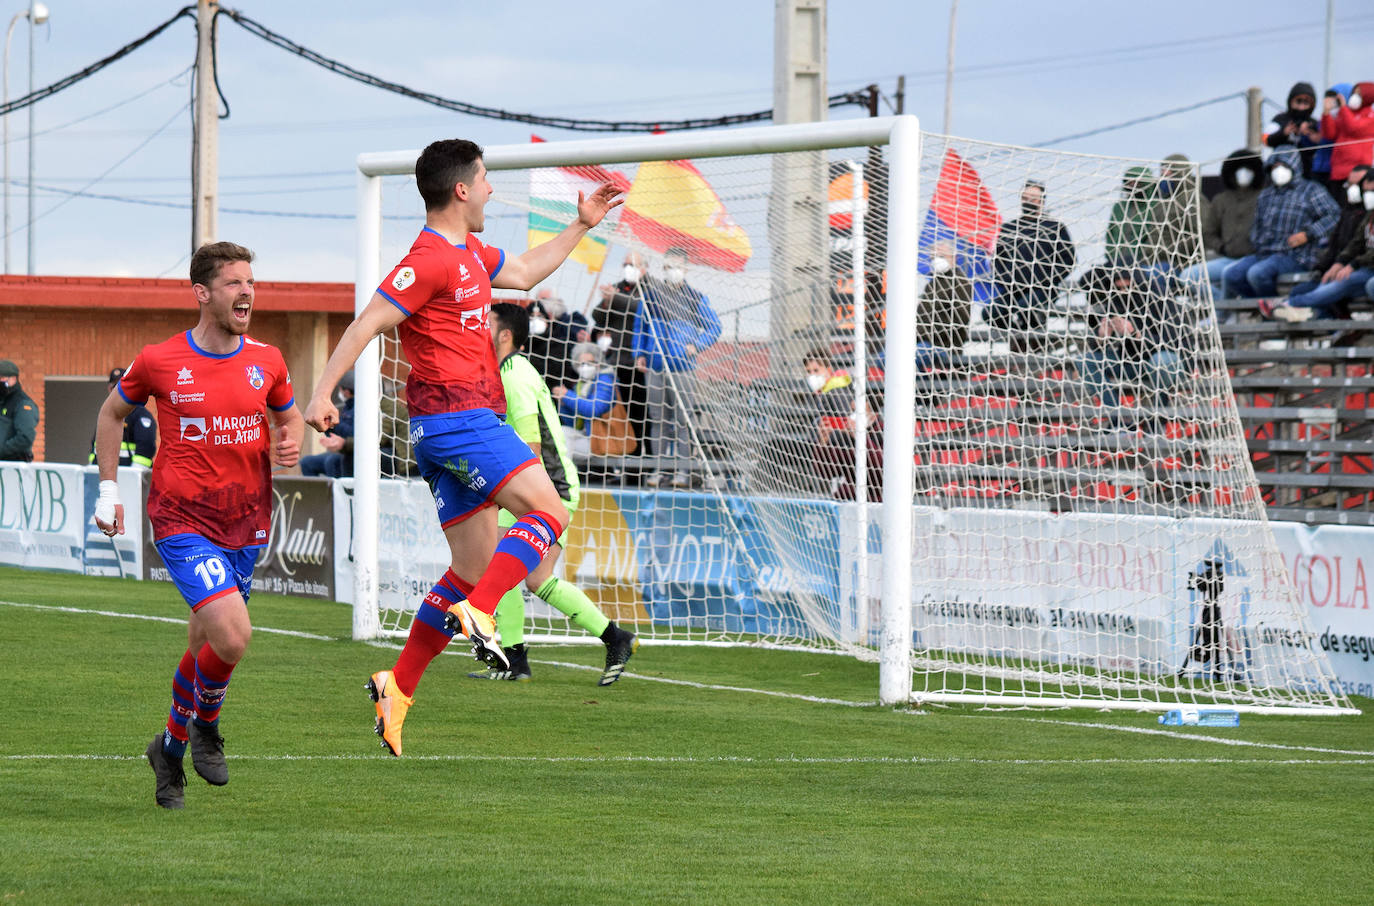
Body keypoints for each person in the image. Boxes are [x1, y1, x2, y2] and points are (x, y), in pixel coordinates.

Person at [301, 138, 623, 757]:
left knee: (472, 568)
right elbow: (367, 321)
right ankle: (481, 611)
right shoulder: (428, 259)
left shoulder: (470, 253)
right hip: (461, 419)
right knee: (550, 511)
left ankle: (397, 686)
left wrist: (580, 226)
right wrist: (322, 394)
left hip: (440, 431)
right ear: (462, 189)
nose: (492, 190)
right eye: (486, 179)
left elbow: (525, 273)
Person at [92, 241, 304, 809]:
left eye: (251, 282)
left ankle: (169, 749)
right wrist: (109, 490)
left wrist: (293, 434)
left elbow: (288, 412)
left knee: (206, 643)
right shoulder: (161, 360)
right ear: (202, 293)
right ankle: (207, 724)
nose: (247, 292)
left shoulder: (269, 360)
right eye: (234, 283)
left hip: (247, 521)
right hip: (181, 519)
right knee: (233, 636)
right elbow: (111, 414)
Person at [469, 302, 639, 683]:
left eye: (487, 324)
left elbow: (530, 445)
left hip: (545, 488)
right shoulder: (508, 372)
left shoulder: (514, 377)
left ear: (505, 335)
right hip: (545, 487)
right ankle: (616, 637)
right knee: (536, 578)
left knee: (504, 565)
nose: (480, 330)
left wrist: (507, 490)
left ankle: (514, 660)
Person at [631, 246, 721, 488]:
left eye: (678, 267)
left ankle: (683, 472)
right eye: (669, 267)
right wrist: (639, 353)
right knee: (658, 419)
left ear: (686, 268)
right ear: (663, 268)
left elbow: (714, 327)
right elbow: (639, 327)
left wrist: (696, 346)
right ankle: (659, 470)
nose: (673, 271)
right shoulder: (651, 295)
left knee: (683, 421)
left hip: (683, 368)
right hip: (656, 367)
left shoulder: (695, 298)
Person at [1221, 146, 1341, 298]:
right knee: (1232, 275)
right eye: (1275, 167)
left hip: (1296, 256)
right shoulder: (1266, 195)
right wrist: (1258, 241)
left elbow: (1334, 216)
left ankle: (1272, 309)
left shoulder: (1311, 190)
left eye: (1283, 166)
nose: (1278, 170)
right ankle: (1262, 306)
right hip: (1265, 253)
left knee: (1257, 274)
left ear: (1294, 166)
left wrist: (1308, 234)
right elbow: (1257, 227)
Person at [1076, 266, 1186, 427]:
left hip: (1162, 361)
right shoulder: (1113, 303)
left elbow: (1173, 342)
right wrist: (1101, 337)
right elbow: (1097, 345)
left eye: (1128, 287)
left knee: (1161, 362)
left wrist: (1135, 334)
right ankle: (1119, 419)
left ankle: (1157, 423)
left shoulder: (1162, 300)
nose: (1124, 292)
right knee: (1085, 361)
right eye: (1119, 288)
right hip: (1131, 364)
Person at [1261, 168, 1374, 323]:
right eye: (1366, 191)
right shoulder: (1365, 214)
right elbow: (1355, 243)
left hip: (1367, 269)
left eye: (1372, 191)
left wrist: (1353, 264)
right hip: (1362, 267)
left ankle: (1291, 305)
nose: (1368, 196)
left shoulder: (1362, 214)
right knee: (1320, 283)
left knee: (1341, 282)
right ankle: (1310, 316)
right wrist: (1338, 263)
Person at [985, 180, 1076, 341]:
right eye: (1025, 198)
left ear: (1042, 200)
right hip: (1014, 289)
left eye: (1033, 198)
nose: (1029, 202)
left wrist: (1046, 280)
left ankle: (1034, 344)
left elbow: (1069, 261)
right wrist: (1007, 280)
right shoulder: (1009, 229)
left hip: (1044, 289)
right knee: (990, 313)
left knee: (1027, 306)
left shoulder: (1054, 227)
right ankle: (1017, 336)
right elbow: (997, 261)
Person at [594, 251, 650, 446]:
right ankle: (627, 469)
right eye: (625, 264)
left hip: (641, 363)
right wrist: (608, 300)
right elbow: (597, 316)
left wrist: (614, 298)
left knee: (642, 416)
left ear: (643, 268)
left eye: (632, 265)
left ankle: (647, 463)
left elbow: (639, 308)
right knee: (622, 416)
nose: (628, 268)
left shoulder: (651, 288)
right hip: (618, 361)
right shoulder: (617, 288)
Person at [1192, 149, 1263, 300]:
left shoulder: (1263, 197)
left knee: (1229, 275)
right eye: (1238, 169)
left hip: (1253, 259)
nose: (1243, 173)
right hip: (1228, 258)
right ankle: (1219, 305)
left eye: (1248, 169)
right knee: (1189, 276)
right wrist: (1221, 246)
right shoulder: (1221, 200)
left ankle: (1221, 314)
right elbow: (1208, 233)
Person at [555, 340, 637, 458]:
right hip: (590, 438)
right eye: (581, 364)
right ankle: (562, 474)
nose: (585, 367)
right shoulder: (581, 385)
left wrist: (567, 396)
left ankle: (562, 476)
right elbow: (574, 424)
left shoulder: (605, 380)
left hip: (606, 441)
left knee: (562, 438)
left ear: (598, 363)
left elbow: (594, 409)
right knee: (559, 433)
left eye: (590, 363)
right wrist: (563, 404)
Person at [916, 244, 974, 364]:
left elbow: (960, 320)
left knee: (902, 358)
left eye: (941, 256)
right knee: (884, 357)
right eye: (933, 258)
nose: (937, 260)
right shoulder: (932, 284)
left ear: (954, 258)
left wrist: (923, 331)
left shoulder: (960, 283)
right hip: (922, 343)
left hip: (944, 345)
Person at [87, 367, 156, 468]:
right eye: (113, 387)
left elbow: (145, 449)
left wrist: (132, 476)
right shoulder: (106, 414)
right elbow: (95, 447)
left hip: (129, 477)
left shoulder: (141, 415)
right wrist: (92, 468)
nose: (116, 391)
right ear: (109, 389)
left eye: (119, 387)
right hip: (104, 478)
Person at [1320, 81, 1374, 197]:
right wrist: (1326, 113)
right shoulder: (1345, 113)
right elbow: (1330, 134)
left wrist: (1344, 107)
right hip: (1337, 171)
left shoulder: (1370, 116)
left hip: (1357, 173)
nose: (1355, 97)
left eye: (1359, 94)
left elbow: (1353, 128)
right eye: (1354, 93)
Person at [299, 369, 354, 478]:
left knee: (331, 461)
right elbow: (336, 433)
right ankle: (315, 495)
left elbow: (353, 433)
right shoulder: (347, 406)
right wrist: (327, 425)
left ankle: (334, 495)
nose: (340, 392)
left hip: (351, 453)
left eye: (340, 388)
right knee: (306, 462)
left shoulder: (362, 407)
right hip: (341, 451)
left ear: (346, 392)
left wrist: (335, 423)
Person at [1264, 81, 1323, 178]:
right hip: (1280, 172)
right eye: (1298, 101)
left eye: (1306, 102)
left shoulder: (1313, 124)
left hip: (1306, 173)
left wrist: (1308, 137)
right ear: (1291, 101)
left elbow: (1320, 147)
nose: (1301, 106)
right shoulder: (1280, 119)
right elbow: (1265, 140)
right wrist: (1284, 133)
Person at [1104, 166, 1160, 268]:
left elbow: (1157, 237)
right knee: (1088, 278)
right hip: (1116, 261)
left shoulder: (1157, 206)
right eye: (1129, 182)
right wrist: (1111, 255)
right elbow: (1110, 234)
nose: (1133, 186)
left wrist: (1143, 257)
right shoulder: (1119, 207)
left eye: (1137, 182)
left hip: (1144, 263)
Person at [0, 359, 38, 462]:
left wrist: (2, 450)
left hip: (13, 467)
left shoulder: (23, 404)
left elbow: (25, 438)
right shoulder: (2, 401)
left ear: (13, 379)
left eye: (2, 378)